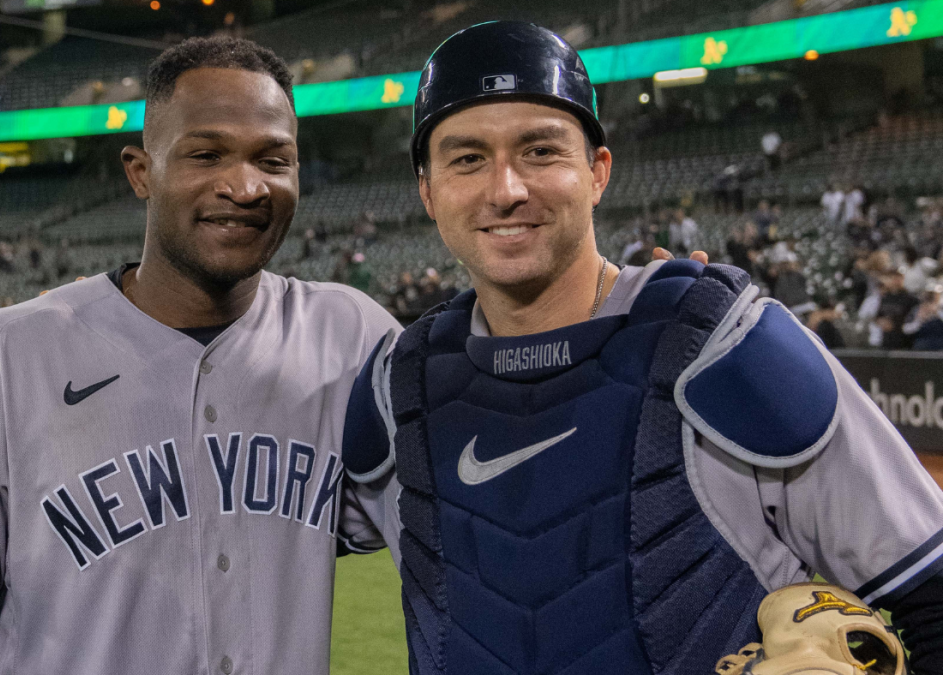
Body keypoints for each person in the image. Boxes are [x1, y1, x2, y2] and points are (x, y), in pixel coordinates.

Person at [340, 21, 943, 675]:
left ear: (598, 172)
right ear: (427, 190)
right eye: (466, 158)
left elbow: (932, 593)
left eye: (541, 151)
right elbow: (246, 541)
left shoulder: (727, 349)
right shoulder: (397, 389)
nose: (506, 189)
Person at [0, 36, 401, 675]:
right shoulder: (7, 353)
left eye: (274, 159)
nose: (245, 185)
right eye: (206, 154)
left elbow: (456, 552)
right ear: (141, 171)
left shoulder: (351, 336)